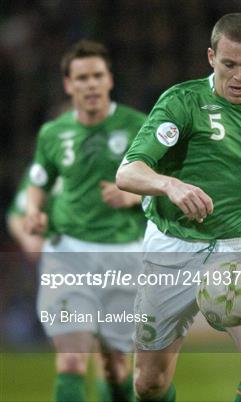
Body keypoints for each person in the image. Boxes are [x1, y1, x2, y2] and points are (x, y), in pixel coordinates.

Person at [116, 13, 241, 402]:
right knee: (149, 383)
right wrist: (169, 184)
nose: (239, 77)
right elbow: (128, 172)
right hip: (172, 250)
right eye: (229, 65)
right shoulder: (183, 103)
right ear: (211, 57)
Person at [25, 39, 147, 402]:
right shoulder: (52, 134)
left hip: (123, 253)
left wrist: (133, 195)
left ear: (110, 80)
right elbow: (38, 183)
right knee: (73, 358)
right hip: (67, 253)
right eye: (81, 78)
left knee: (115, 368)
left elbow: (164, 186)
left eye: (97, 76)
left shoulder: (138, 127)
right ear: (69, 85)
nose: (90, 84)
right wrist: (34, 210)